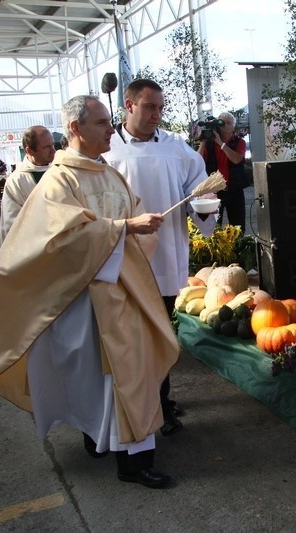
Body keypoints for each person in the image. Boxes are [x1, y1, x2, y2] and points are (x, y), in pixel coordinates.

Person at [0, 95, 179, 488]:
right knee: (108, 380)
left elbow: (131, 211)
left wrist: (137, 227)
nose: (110, 129)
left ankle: (118, 447)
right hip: (86, 301)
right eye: (100, 123)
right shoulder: (59, 179)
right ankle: (129, 460)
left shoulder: (107, 173)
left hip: (124, 289)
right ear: (76, 129)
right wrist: (125, 229)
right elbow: (60, 239)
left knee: (127, 376)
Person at [105, 78, 217, 437]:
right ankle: (133, 406)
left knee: (161, 333)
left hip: (166, 254)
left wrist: (204, 205)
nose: (157, 114)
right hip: (124, 257)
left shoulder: (175, 148)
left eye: (160, 108)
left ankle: (160, 401)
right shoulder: (108, 151)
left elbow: (197, 189)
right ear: (129, 105)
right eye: (150, 107)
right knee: (129, 338)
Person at [0, 125, 57, 247]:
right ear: (29, 151)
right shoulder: (16, 181)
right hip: (33, 247)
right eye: (47, 147)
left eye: (53, 145)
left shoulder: (59, 171)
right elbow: (12, 223)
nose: (53, 150)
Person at [198, 111, 247, 231]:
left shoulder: (239, 142)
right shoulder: (209, 143)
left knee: (237, 227)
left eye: (228, 123)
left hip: (234, 189)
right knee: (213, 227)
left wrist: (220, 143)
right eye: (222, 123)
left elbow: (236, 159)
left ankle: (237, 249)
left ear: (233, 127)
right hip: (214, 191)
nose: (224, 125)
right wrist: (203, 142)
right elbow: (197, 161)